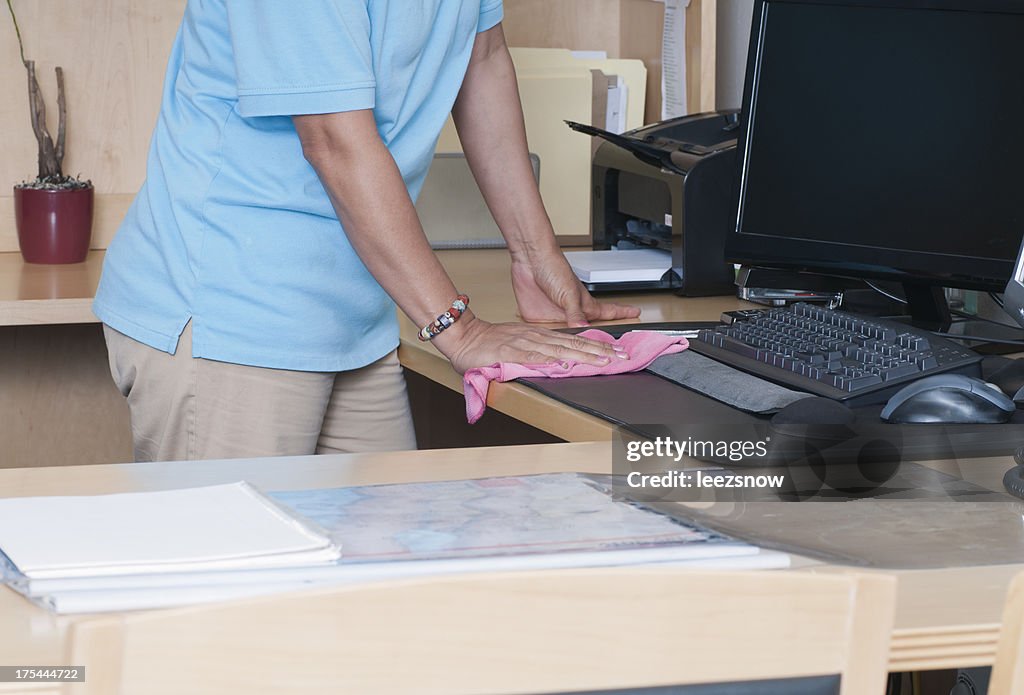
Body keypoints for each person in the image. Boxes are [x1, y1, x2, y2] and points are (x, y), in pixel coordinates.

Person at [93, 0, 640, 463]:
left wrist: (534, 256)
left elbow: (484, 56)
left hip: (354, 310)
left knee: (386, 574)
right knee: (246, 584)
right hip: (233, 312)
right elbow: (333, 139)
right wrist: (463, 331)